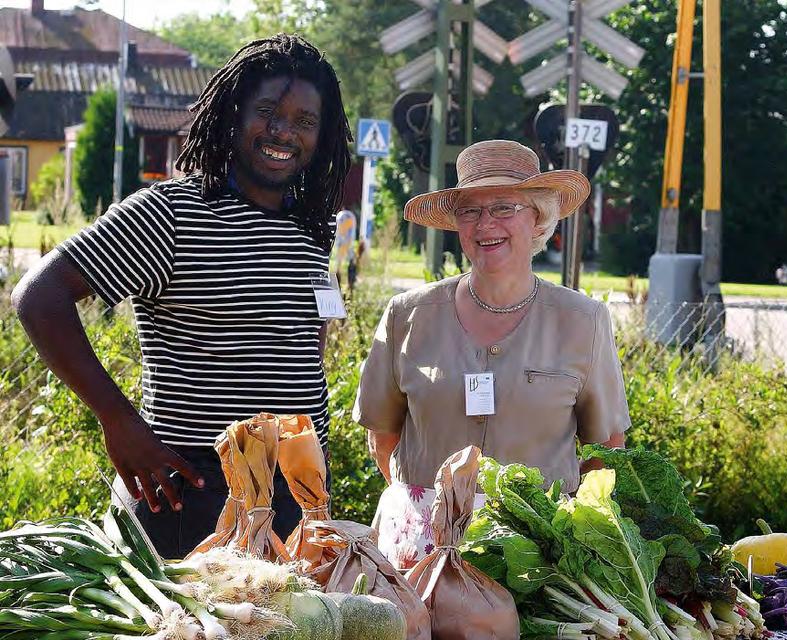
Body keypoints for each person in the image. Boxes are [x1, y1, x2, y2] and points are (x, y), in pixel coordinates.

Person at [11, 34, 352, 559]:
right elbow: (39, 296)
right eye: (267, 112)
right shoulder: (172, 214)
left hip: (291, 494)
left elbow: (304, 334)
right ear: (233, 113)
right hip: (193, 494)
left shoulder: (310, 226)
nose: (284, 132)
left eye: (305, 121)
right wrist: (119, 422)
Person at [353, 139, 630, 569]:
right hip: (418, 556)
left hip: (537, 558)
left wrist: (569, 533)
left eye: (503, 207)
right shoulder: (407, 316)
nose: (486, 224)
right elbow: (383, 438)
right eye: (470, 211)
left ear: (538, 217)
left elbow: (606, 450)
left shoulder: (583, 321)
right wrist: (428, 512)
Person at [334, 208, 357, 290]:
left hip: (341, 215)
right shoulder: (351, 215)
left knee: (339, 260)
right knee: (351, 257)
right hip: (350, 216)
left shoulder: (340, 215)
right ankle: (350, 285)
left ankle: (339, 285)